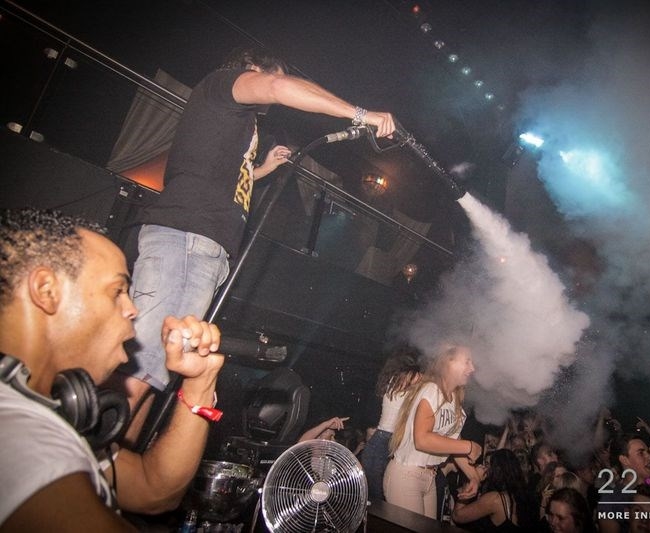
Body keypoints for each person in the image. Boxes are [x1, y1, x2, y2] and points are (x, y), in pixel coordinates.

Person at [115, 46, 396, 441]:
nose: (269, 93)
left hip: (202, 245)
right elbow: (279, 87)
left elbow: (228, 178)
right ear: (251, 68)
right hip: (185, 237)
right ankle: (94, 459)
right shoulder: (223, 84)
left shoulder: (233, 121)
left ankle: (119, 458)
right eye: (268, 75)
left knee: (158, 367)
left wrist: (263, 169)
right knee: (145, 359)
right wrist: (361, 114)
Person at [0, 208, 224, 531]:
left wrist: (199, 381)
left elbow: (153, 490)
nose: (132, 309)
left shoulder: (40, 414)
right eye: (118, 291)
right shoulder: (15, 428)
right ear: (46, 291)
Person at [383, 343, 482, 519]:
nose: (472, 368)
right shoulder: (431, 390)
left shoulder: (454, 398)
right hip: (407, 474)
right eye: (467, 361)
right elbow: (422, 439)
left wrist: (473, 477)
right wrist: (468, 446)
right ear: (449, 362)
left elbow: (452, 442)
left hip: (430, 478)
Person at [360, 344, 423, 502]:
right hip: (383, 442)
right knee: (379, 500)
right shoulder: (401, 383)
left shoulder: (392, 383)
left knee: (379, 499)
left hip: (383, 441)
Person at [452, 448, 535, 531]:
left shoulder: (495, 499)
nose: (487, 469)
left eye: (489, 465)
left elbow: (457, 516)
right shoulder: (522, 495)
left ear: (496, 470)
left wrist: (472, 480)